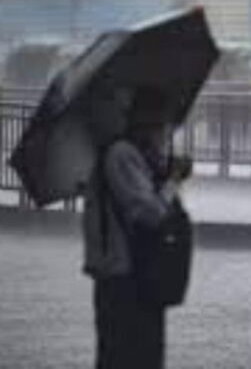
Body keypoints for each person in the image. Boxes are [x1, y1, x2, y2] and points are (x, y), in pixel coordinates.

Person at [83, 87, 192, 369]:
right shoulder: (121, 154)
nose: (166, 133)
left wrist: (165, 172)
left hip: (136, 278)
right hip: (124, 280)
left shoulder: (136, 155)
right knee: (128, 357)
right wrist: (173, 180)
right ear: (147, 122)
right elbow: (150, 214)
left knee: (139, 356)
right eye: (163, 125)